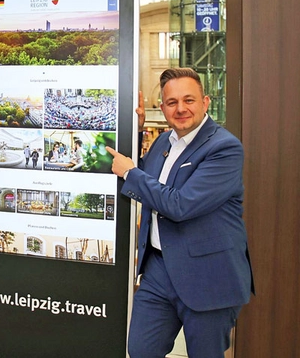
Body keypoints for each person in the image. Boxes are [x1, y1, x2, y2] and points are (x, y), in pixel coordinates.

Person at [106, 68, 254, 358]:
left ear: (206, 102)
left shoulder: (224, 148)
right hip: (158, 271)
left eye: (189, 100)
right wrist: (135, 131)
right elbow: (139, 175)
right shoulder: (164, 141)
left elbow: (180, 205)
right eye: (172, 102)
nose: (181, 108)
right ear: (162, 108)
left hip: (208, 276)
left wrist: (131, 172)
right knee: (140, 351)